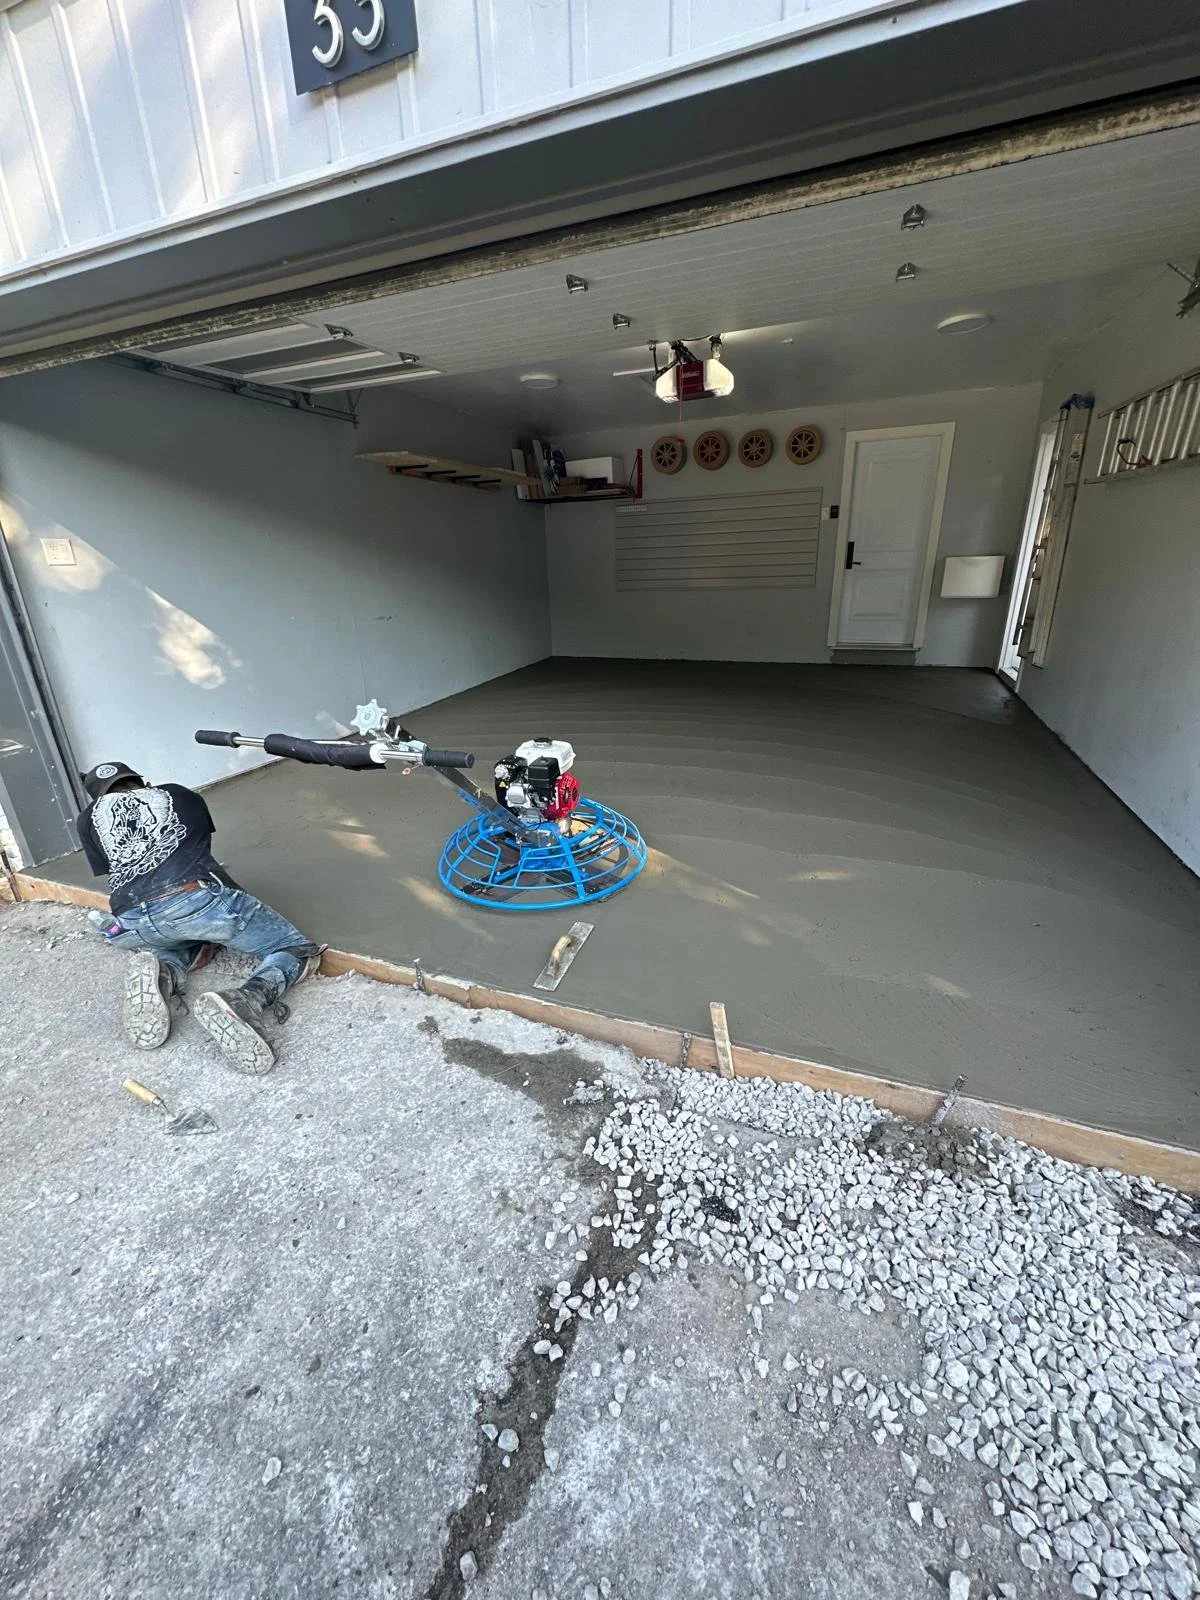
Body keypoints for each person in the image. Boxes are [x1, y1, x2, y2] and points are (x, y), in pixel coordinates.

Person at [76, 760, 322, 1074]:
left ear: (98, 800)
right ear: (143, 782)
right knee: (295, 948)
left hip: (131, 920)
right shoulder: (177, 794)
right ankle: (247, 999)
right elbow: (195, 846)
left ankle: (165, 970)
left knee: (177, 938)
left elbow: (118, 868)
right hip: (195, 897)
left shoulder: (88, 820)